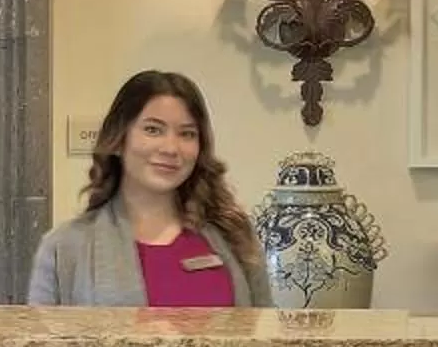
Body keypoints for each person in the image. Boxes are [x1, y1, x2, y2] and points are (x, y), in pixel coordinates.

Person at [27, 70, 268, 307]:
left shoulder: (234, 234)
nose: (171, 148)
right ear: (119, 139)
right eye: (153, 130)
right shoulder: (64, 248)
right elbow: (40, 346)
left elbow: (267, 339)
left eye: (187, 134)